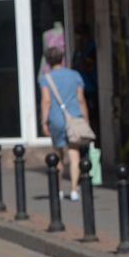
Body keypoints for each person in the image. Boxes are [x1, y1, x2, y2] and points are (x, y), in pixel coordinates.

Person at [39, 46, 90, 201]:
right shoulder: (75, 75)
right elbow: (81, 99)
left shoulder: (46, 78)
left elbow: (46, 101)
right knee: (74, 156)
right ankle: (74, 190)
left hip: (56, 119)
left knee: (58, 156)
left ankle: (59, 190)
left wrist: (44, 122)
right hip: (74, 118)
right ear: (62, 59)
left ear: (47, 62)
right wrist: (85, 119)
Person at [72, 22, 99, 139]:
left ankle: (94, 143)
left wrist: (82, 51)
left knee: (93, 117)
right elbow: (74, 66)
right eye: (78, 35)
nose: (80, 38)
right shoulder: (77, 50)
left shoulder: (91, 47)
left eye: (82, 35)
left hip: (91, 88)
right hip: (81, 89)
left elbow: (86, 66)